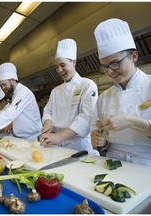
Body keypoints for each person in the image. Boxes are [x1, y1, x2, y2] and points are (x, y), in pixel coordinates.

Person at [91, 18, 151, 166]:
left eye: (115, 63)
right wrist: (99, 141)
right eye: (105, 67)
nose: (110, 72)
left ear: (134, 56)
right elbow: (99, 138)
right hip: (112, 164)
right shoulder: (103, 98)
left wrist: (131, 122)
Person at [40, 39, 99, 155]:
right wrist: (48, 122)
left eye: (62, 65)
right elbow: (47, 111)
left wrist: (60, 136)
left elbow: (86, 117)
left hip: (79, 147)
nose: (59, 70)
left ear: (73, 62)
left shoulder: (87, 85)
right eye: (56, 67)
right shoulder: (55, 91)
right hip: (56, 145)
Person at [0, 62, 42, 142]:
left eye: (4, 84)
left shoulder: (23, 93)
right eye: (2, 85)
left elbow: (10, 113)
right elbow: (20, 114)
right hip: (21, 137)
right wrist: (13, 124)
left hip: (30, 138)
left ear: (12, 80)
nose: (3, 88)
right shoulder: (15, 93)